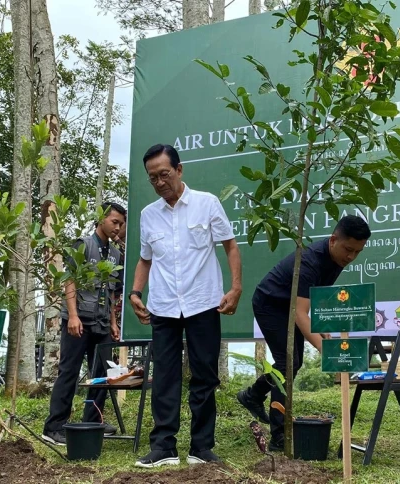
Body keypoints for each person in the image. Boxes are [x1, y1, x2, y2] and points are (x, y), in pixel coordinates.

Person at [129, 144, 242, 468]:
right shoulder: (148, 215)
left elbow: (231, 247)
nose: (159, 182)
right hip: (163, 306)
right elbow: (145, 259)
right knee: (164, 376)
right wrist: (136, 293)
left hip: (203, 302)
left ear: (179, 170)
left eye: (164, 174)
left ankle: (201, 448)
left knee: (205, 376)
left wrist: (235, 288)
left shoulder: (207, 204)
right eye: (153, 178)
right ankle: (163, 446)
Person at [236, 215, 372, 450]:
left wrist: (325, 331)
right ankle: (279, 436)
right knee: (288, 362)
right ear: (333, 240)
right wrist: (327, 351)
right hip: (271, 303)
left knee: (291, 364)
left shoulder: (337, 259)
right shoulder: (310, 260)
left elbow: (315, 299)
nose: (351, 257)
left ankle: (253, 395)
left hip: (291, 305)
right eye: (348, 249)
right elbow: (300, 313)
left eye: (357, 252)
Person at [41, 202, 126, 445]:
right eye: (114, 222)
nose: (118, 228)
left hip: (101, 322)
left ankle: (93, 420)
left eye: (121, 224)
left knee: (101, 374)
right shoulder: (83, 244)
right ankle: (54, 426)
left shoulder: (116, 254)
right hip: (79, 320)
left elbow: (111, 292)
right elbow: (69, 280)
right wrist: (73, 315)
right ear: (101, 219)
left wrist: (113, 322)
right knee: (69, 372)